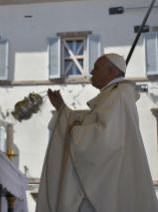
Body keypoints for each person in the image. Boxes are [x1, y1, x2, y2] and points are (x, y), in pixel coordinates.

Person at [36, 54, 158, 212]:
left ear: (110, 73)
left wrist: (75, 132)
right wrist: (62, 108)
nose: (91, 72)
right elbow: (88, 122)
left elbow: (106, 139)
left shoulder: (119, 96)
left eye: (96, 68)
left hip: (100, 192)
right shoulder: (113, 95)